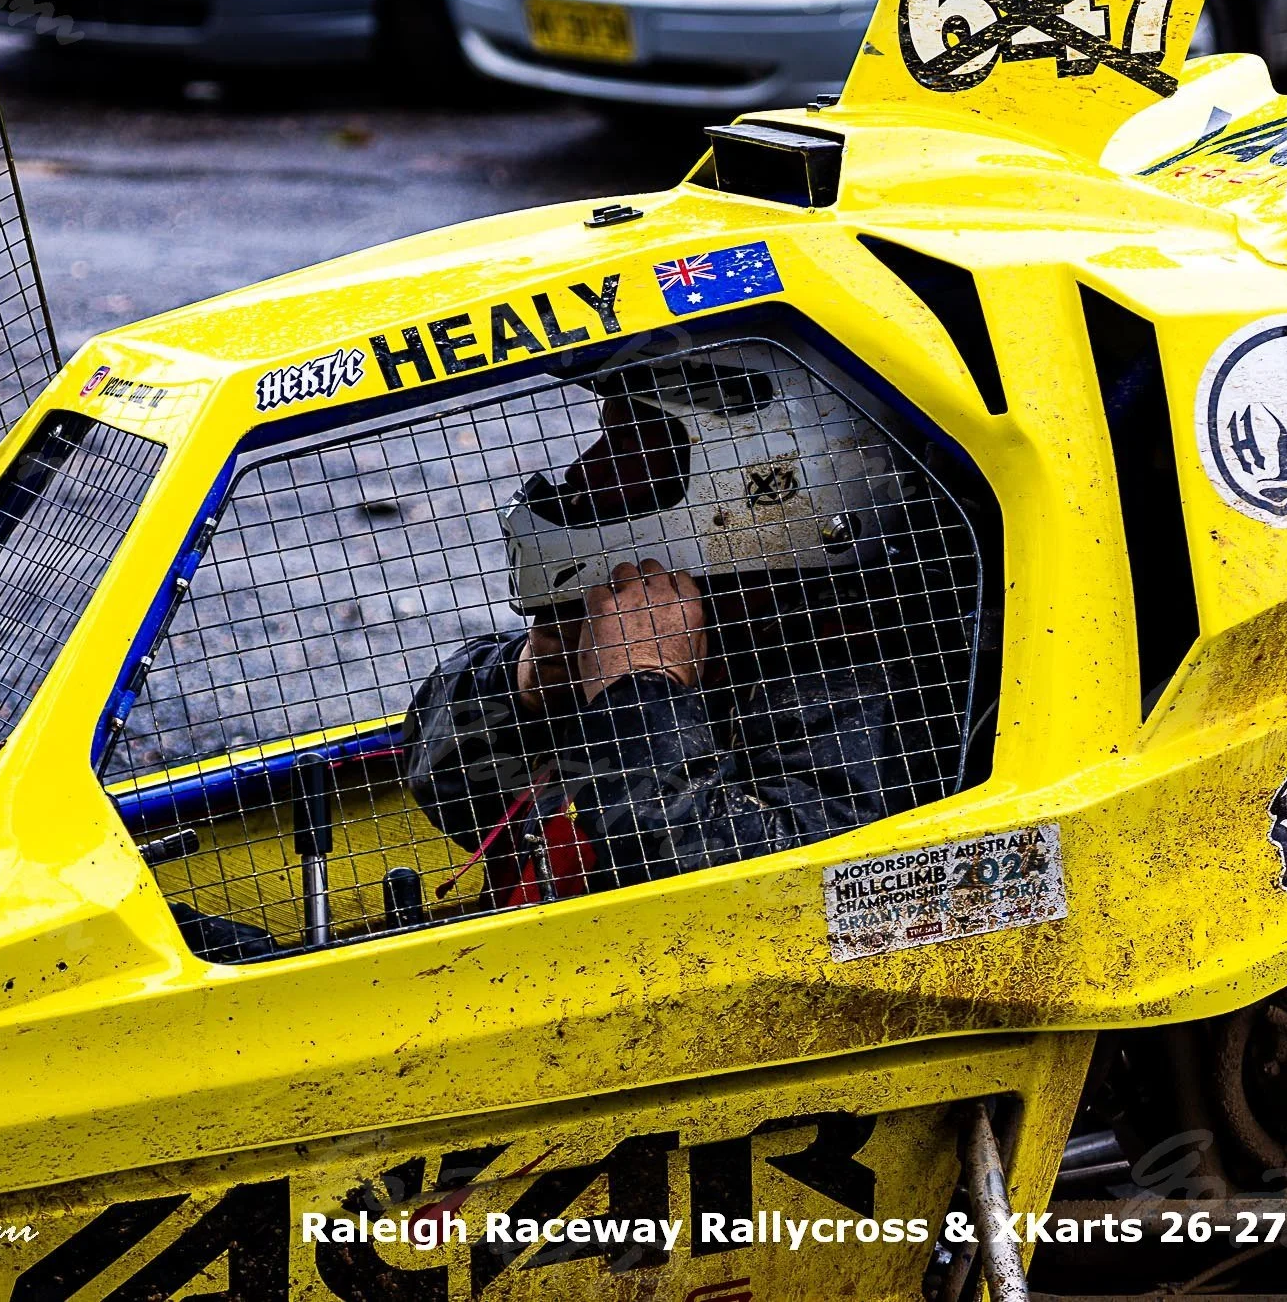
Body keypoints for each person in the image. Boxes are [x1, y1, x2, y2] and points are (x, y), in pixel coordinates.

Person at [402, 350, 981, 903]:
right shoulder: (696, 623)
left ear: (760, 475)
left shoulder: (869, 680)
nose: (583, 475)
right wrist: (526, 686)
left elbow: (752, 904)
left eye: (626, 445)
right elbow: (448, 785)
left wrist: (640, 694)